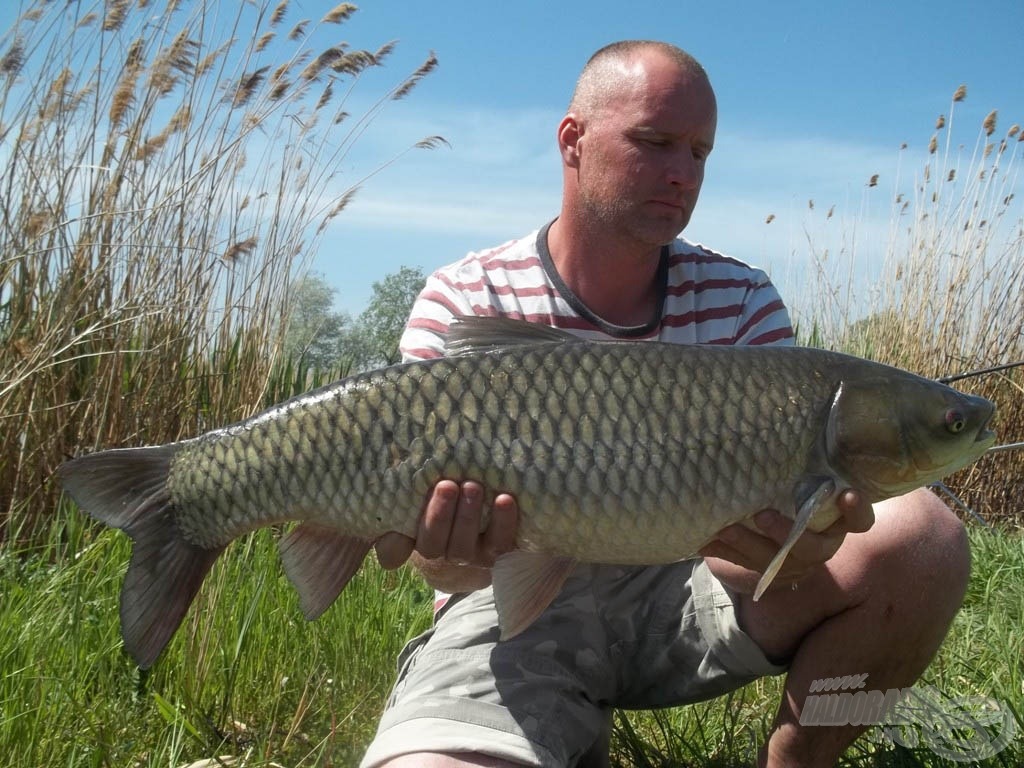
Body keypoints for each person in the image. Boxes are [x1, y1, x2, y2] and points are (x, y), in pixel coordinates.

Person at [361, 40, 970, 768]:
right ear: (572, 141)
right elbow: (443, 570)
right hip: (512, 615)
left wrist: (797, 550)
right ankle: (548, 720)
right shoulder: (465, 298)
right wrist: (448, 554)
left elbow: (754, 572)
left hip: (688, 592)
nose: (681, 174)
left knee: (926, 538)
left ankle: (802, 760)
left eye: (700, 154)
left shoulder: (742, 300)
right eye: (653, 142)